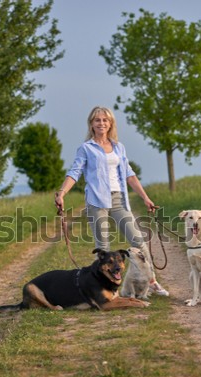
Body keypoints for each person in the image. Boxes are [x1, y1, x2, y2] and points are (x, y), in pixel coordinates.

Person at [55, 106, 169, 296]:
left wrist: (146, 198)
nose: (101, 123)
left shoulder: (118, 147)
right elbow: (75, 172)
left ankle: (152, 281)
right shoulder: (86, 148)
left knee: (138, 241)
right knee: (104, 248)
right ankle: (107, 290)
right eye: (97, 120)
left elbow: (130, 175)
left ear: (110, 124)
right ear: (91, 124)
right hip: (96, 200)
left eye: (105, 120)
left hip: (118, 198)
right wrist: (61, 193)